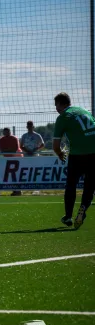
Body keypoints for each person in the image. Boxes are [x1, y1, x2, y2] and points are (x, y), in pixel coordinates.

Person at [53, 92, 95, 230]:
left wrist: (60, 154)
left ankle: (68, 216)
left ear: (61, 104)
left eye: (56, 105)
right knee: (89, 185)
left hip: (78, 154)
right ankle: (83, 209)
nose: (56, 108)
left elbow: (55, 146)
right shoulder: (83, 111)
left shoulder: (63, 117)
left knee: (71, 184)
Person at [0, 127, 23, 196]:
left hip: (16, 159)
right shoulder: (1, 140)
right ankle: (15, 190)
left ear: (10, 132)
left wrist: (7, 151)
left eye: (8, 132)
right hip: (7, 159)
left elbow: (15, 149)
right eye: (5, 132)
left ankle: (18, 190)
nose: (6, 133)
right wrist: (8, 151)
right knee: (11, 175)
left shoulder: (14, 138)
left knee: (17, 175)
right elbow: (1, 149)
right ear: (3, 132)